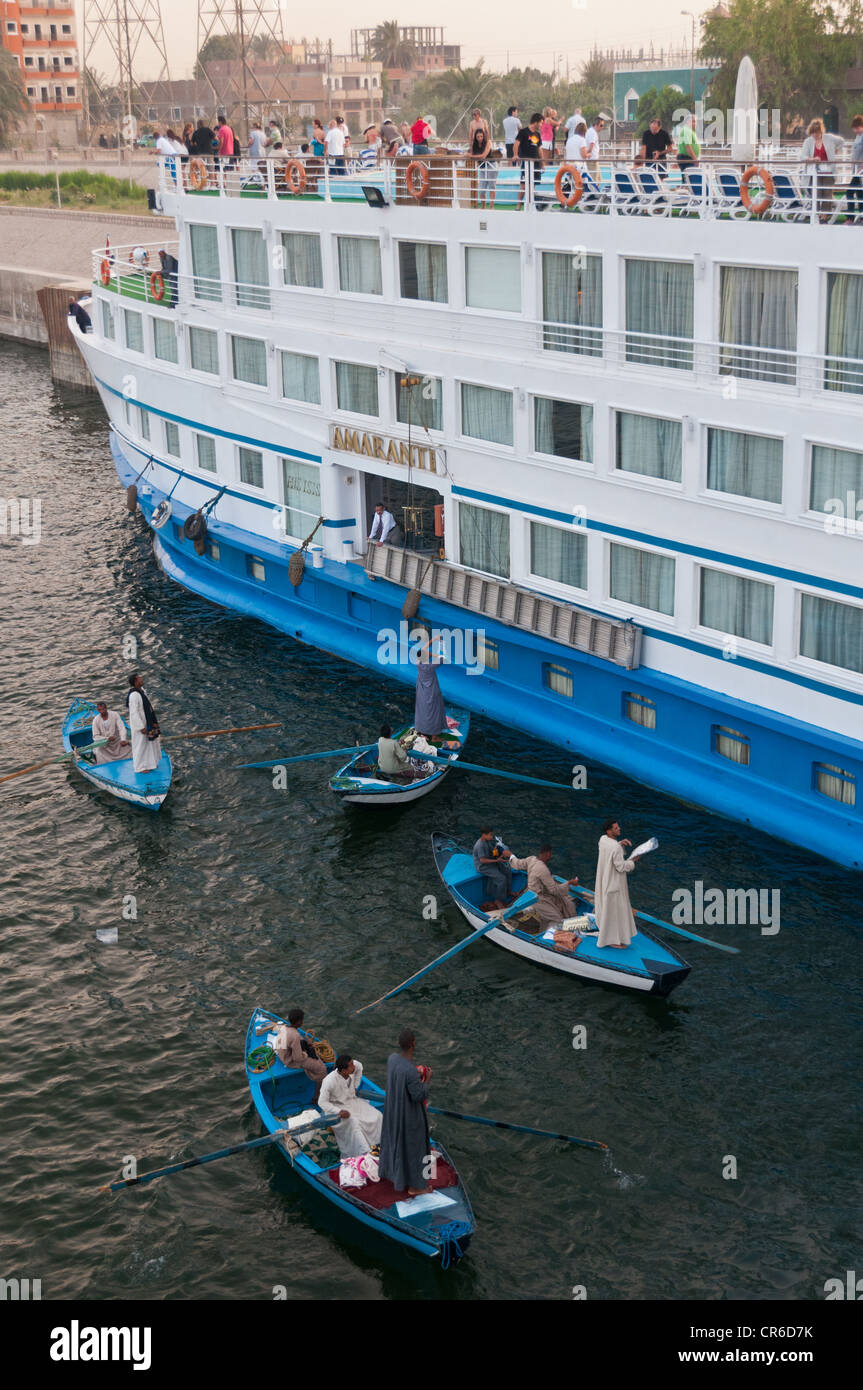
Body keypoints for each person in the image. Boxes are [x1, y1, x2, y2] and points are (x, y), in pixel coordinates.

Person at [379, 1029, 432, 1195]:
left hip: (393, 1112)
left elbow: (401, 1075)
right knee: (418, 1148)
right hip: (409, 1116)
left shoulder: (392, 1060)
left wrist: (416, 1075)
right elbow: (419, 1095)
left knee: (395, 1144)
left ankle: (392, 1174)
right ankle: (417, 1187)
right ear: (413, 1043)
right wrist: (427, 1079)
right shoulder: (410, 1071)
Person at [318, 1056, 383, 1158]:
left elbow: (360, 1067)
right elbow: (322, 1102)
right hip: (337, 1107)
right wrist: (339, 1111)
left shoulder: (355, 1067)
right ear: (343, 1070)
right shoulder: (329, 1081)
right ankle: (365, 1154)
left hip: (352, 1101)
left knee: (378, 1115)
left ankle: (381, 1144)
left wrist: (355, 1086)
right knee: (355, 1123)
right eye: (351, 1065)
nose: (354, 1066)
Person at [594, 818, 637, 949]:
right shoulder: (615, 847)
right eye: (616, 828)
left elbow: (611, 852)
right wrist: (634, 861)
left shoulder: (602, 840)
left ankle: (608, 934)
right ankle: (611, 940)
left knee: (606, 908)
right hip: (614, 884)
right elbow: (621, 866)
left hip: (603, 880)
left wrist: (620, 845)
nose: (619, 829)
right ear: (609, 830)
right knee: (614, 912)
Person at [272, 1008, 326, 1097]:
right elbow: (298, 1058)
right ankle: (317, 1095)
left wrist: (304, 1044)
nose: (302, 1022)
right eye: (302, 1020)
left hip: (283, 1055)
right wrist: (306, 1053)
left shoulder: (283, 1027)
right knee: (322, 1069)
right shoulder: (295, 1036)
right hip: (289, 1061)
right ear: (298, 1021)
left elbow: (290, 1041)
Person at [802, 118, 843, 221]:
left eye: (817, 132)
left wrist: (837, 149)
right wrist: (812, 159)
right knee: (816, 192)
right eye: (813, 133)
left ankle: (824, 214)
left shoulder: (829, 138)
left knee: (827, 192)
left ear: (821, 131)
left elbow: (841, 141)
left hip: (829, 171)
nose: (815, 135)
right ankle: (815, 213)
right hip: (815, 172)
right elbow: (803, 157)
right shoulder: (808, 141)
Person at [125, 672, 162, 774]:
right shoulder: (134, 695)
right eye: (140, 678)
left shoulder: (142, 691)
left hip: (147, 722)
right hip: (140, 725)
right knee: (140, 745)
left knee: (150, 743)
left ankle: (150, 764)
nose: (142, 679)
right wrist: (140, 727)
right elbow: (133, 712)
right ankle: (140, 767)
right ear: (136, 681)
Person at [473, 826, 513, 907]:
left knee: (508, 871)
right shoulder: (480, 845)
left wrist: (500, 854)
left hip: (492, 861)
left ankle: (508, 891)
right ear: (484, 835)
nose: (492, 837)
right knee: (501, 878)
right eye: (490, 835)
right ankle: (498, 900)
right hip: (483, 866)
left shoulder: (488, 840)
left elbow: (493, 850)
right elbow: (482, 860)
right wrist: (497, 860)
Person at [414, 636, 447, 736]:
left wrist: (434, 639)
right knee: (434, 712)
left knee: (422, 710)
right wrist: (437, 650)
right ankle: (434, 735)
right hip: (432, 692)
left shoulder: (418, 663)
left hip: (422, 692)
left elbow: (423, 650)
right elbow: (443, 657)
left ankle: (422, 731)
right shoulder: (430, 666)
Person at [516, 112, 544, 209]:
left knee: (532, 186)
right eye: (540, 123)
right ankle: (519, 205)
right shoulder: (523, 132)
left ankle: (529, 204)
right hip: (526, 163)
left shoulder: (537, 134)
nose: (541, 125)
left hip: (536, 163)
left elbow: (540, 149)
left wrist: (542, 163)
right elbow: (516, 144)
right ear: (535, 122)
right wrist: (515, 155)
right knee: (523, 185)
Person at [847, 114, 863, 223]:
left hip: (860, 170)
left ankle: (850, 218)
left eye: (857, 128)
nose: (855, 130)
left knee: (849, 192)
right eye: (854, 128)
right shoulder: (858, 137)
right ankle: (861, 217)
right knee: (859, 193)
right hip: (856, 169)